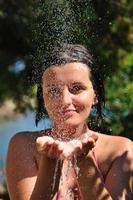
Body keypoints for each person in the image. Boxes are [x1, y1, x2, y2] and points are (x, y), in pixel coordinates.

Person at [6, 44, 133, 200]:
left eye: (77, 88)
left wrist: (84, 160)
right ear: (43, 99)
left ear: (95, 95)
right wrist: (50, 162)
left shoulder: (120, 150)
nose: (65, 101)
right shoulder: (24, 145)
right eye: (53, 91)